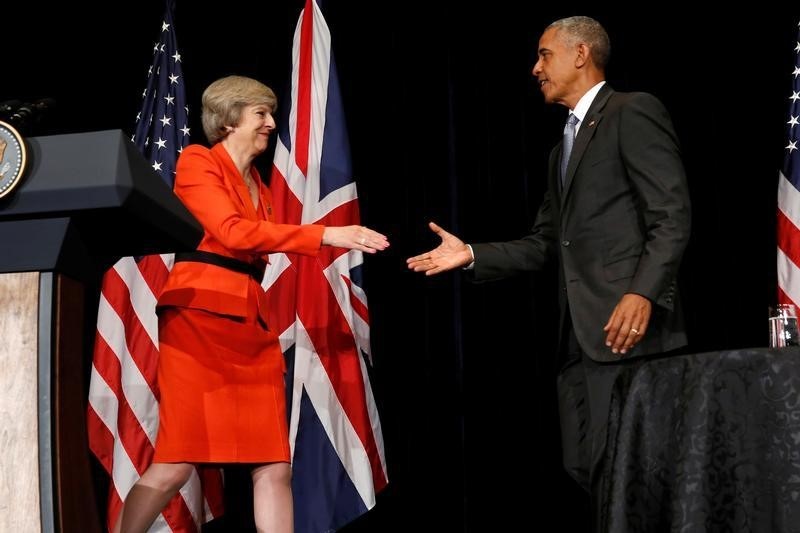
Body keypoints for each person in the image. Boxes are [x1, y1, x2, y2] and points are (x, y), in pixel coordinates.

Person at [407, 15, 690, 522]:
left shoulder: (632, 112)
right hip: (577, 342)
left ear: (581, 54)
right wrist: (471, 253)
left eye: (544, 54)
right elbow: (545, 244)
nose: (535, 67)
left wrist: (643, 292)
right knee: (585, 467)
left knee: (633, 477)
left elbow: (671, 216)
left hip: (629, 336)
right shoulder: (563, 149)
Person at [113, 75, 389, 533]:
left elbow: (258, 242)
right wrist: (324, 234)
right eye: (260, 113)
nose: (270, 123)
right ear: (228, 120)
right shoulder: (198, 162)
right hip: (198, 322)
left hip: (250, 330)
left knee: (274, 465)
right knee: (176, 464)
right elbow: (232, 232)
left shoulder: (260, 184)